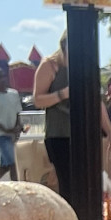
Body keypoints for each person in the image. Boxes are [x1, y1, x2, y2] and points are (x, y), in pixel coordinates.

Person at [30, 33, 73, 198]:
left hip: (83, 135)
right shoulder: (49, 65)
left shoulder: (84, 66)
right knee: (67, 185)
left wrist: (110, 131)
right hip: (59, 135)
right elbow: (38, 100)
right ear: (64, 46)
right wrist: (63, 94)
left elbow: (97, 103)